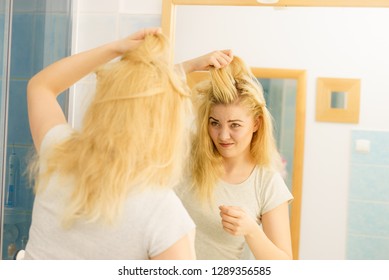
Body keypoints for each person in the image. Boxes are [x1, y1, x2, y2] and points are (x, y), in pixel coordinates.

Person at [24, 28, 197, 260]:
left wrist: (114, 48)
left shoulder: (59, 153)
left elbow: (40, 86)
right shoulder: (161, 212)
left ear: (102, 105)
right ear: (168, 125)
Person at [176, 52, 294, 260]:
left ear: (256, 123)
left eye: (235, 125)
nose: (222, 135)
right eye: (215, 123)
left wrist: (251, 231)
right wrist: (191, 64)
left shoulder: (266, 182)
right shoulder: (189, 153)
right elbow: (143, 91)